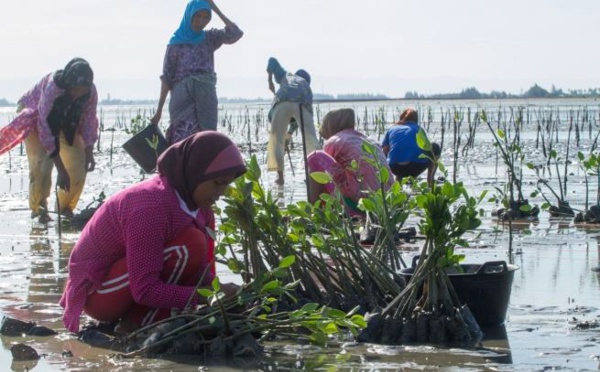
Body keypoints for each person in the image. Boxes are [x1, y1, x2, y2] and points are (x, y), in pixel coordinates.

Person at [59, 131, 247, 334]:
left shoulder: (202, 209)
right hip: (98, 293)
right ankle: (138, 323)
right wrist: (206, 295)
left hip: (127, 282)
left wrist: (225, 292)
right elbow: (145, 289)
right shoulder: (150, 206)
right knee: (190, 245)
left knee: (195, 245)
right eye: (217, 183)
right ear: (196, 172)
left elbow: (202, 272)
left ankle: (147, 317)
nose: (220, 193)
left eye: (226, 184)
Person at [0, 57, 98, 223]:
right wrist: (60, 169)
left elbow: (89, 121)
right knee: (42, 165)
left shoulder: (90, 92)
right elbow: (45, 129)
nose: (77, 94)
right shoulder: (54, 88)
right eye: (74, 89)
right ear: (68, 84)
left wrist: (89, 152)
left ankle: (65, 208)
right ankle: (40, 209)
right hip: (38, 118)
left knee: (79, 163)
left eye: (81, 90)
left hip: (68, 122)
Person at [150, 0, 243, 144]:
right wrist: (159, 111)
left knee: (207, 139)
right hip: (182, 96)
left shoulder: (209, 38)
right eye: (197, 16)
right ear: (189, 16)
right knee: (182, 138)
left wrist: (215, 8)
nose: (201, 21)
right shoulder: (175, 44)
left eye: (206, 17)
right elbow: (166, 79)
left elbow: (236, 34)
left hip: (205, 94)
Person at [307, 108, 394, 217]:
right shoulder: (369, 140)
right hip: (385, 204)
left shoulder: (335, 140)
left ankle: (315, 213)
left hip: (358, 205)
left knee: (315, 157)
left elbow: (322, 173)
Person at [266, 57, 320, 185]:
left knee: (276, 140)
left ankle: (280, 178)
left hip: (282, 100)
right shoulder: (306, 86)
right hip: (302, 103)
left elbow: (272, 60)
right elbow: (301, 116)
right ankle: (315, 176)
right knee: (311, 140)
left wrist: (270, 81)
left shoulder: (286, 75)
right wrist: (289, 135)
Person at [382, 108, 441, 187]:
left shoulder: (392, 129)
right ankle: (430, 179)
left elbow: (384, 152)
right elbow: (427, 148)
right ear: (416, 120)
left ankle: (398, 183)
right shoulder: (418, 128)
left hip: (395, 168)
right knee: (435, 148)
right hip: (415, 167)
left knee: (398, 152)